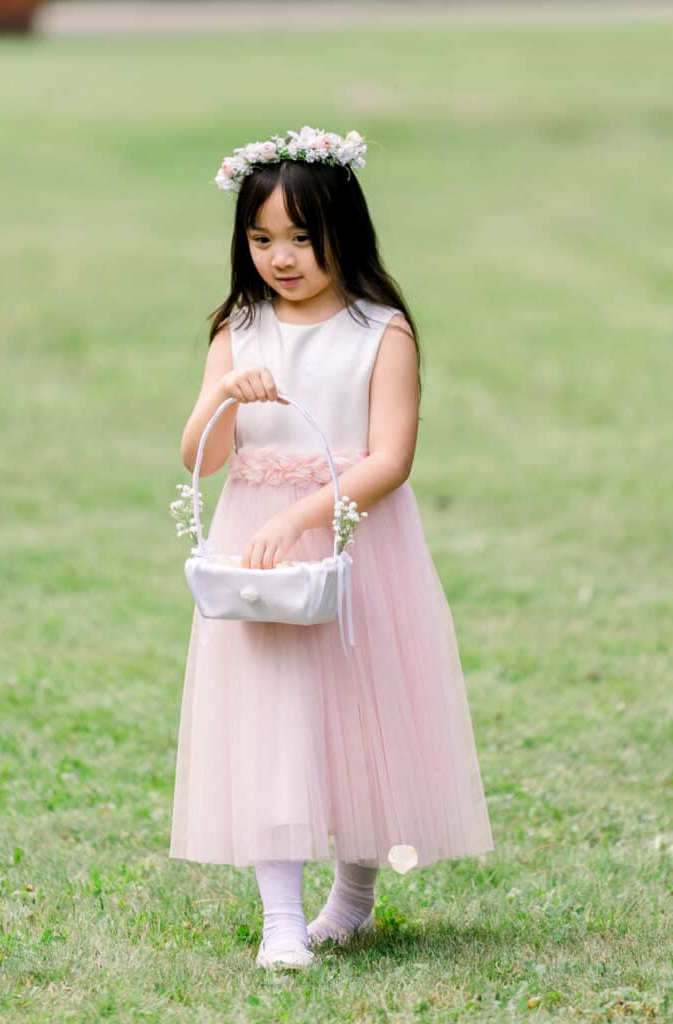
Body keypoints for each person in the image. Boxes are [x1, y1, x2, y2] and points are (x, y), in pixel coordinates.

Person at [169, 126, 494, 971]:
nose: (282, 257)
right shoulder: (237, 329)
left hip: (354, 541)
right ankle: (282, 918)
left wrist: (302, 513)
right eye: (262, 239)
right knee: (273, 716)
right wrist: (224, 402)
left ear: (343, 231)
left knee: (359, 710)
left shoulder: (380, 332)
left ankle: (351, 895)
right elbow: (200, 460)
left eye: (302, 239)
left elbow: (389, 457)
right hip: (257, 551)